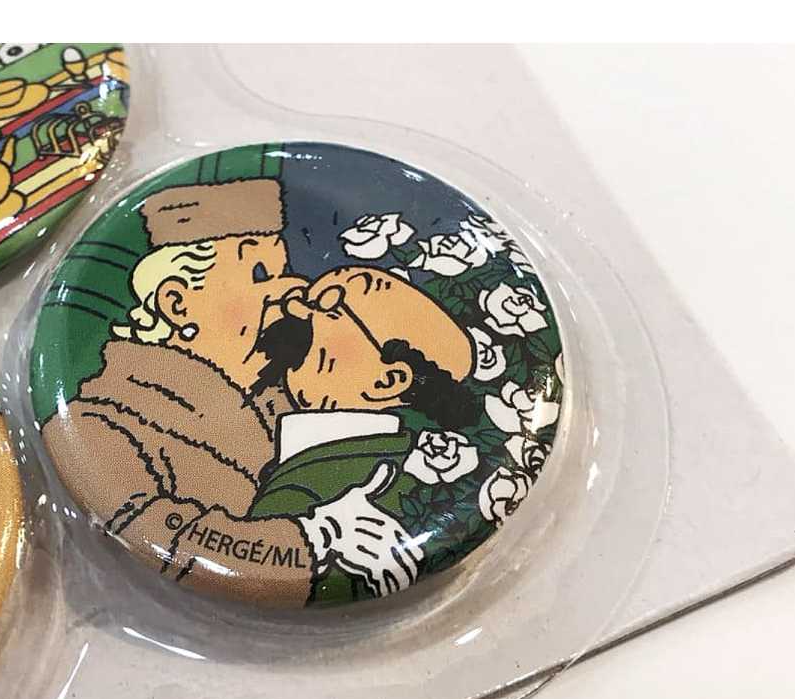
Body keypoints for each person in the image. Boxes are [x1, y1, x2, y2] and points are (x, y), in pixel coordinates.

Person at [40, 180, 423, 604]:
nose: (291, 292)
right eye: (261, 275)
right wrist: (315, 539)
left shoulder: (291, 408)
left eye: (286, 271)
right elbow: (158, 528)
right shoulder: (98, 423)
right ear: (177, 304)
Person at [249, 266, 478, 603]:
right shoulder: (297, 446)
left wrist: (319, 535)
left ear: (387, 381)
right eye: (311, 293)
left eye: (331, 305)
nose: (296, 306)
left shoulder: (368, 480)